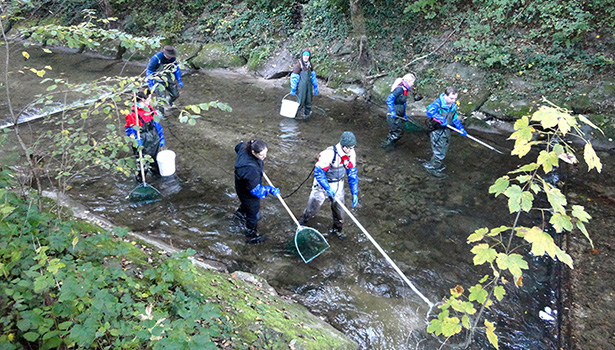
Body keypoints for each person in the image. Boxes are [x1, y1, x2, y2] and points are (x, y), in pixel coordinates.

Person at [298, 131, 359, 240]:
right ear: (342, 145)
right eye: (348, 148)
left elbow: (352, 174)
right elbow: (319, 173)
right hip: (322, 185)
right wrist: (327, 188)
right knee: (312, 210)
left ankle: (337, 230)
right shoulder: (329, 154)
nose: (350, 150)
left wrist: (355, 192)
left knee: (340, 212)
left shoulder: (351, 154)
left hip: (338, 184)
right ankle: (301, 224)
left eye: (352, 147)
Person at [234, 139, 280, 244]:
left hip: (241, 183)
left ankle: (238, 215)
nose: (265, 157)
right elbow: (256, 191)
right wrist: (270, 190)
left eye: (265, 153)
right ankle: (251, 236)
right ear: (253, 152)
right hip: (246, 191)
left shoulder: (245, 147)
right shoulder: (250, 170)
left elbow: (237, 147)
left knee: (245, 205)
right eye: (262, 155)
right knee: (253, 213)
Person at [423, 86, 467, 173]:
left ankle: (434, 163)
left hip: (446, 130)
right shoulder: (438, 104)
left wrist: (460, 128)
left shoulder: (453, 106)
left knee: (443, 149)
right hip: (437, 131)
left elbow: (454, 118)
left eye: (455, 98)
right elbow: (430, 111)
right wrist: (440, 118)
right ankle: (432, 168)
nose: (453, 101)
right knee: (439, 153)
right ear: (445, 96)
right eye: (451, 98)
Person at [124, 90, 165, 180]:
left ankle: (158, 177)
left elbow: (156, 123)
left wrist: (161, 136)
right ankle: (140, 180)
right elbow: (129, 130)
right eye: (149, 98)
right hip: (142, 138)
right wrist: (135, 140)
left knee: (154, 159)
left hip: (153, 136)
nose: (150, 101)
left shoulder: (149, 108)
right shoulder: (132, 113)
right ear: (143, 99)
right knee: (143, 162)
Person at [381, 73, 421, 150]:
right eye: (412, 82)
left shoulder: (405, 89)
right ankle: (387, 146)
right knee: (397, 132)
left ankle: (388, 143)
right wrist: (392, 111)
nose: (413, 84)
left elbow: (403, 102)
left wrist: (404, 114)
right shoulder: (399, 89)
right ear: (408, 82)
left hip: (399, 113)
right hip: (393, 113)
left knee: (396, 131)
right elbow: (389, 99)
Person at [146, 45, 183, 110]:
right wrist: (151, 85)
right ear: (164, 53)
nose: (170, 57)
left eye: (171, 56)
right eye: (169, 56)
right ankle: (161, 113)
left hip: (168, 77)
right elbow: (149, 71)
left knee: (175, 94)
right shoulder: (156, 58)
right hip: (158, 79)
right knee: (161, 98)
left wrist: (179, 80)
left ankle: (169, 101)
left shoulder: (173, 58)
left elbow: (176, 69)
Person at [290, 49, 319, 119]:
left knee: (309, 101)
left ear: (309, 57)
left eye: (307, 55)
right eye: (304, 55)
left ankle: (307, 115)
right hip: (301, 88)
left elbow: (313, 76)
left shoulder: (310, 65)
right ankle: (294, 116)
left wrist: (315, 86)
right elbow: (294, 78)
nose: (306, 57)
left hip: (309, 87)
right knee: (300, 102)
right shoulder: (298, 65)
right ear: (302, 56)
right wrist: (293, 88)